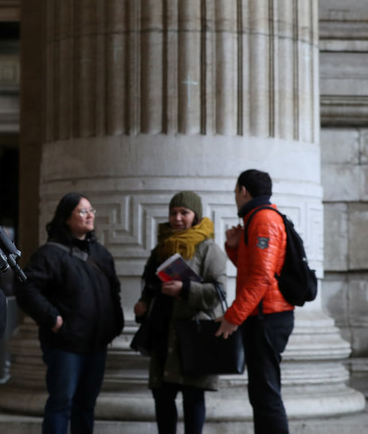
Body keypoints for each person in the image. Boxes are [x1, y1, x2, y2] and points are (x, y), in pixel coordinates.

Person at [15, 192, 124, 434]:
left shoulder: (101, 253)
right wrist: (52, 318)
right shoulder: (50, 254)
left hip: (97, 344)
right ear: (66, 218)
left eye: (91, 210)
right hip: (65, 344)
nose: (90, 215)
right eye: (82, 211)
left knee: (86, 406)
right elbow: (26, 289)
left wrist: (114, 325)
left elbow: (114, 290)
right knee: (61, 404)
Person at [133, 191, 228, 434]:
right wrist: (143, 305)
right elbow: (151, 287)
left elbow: (218, 292)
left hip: (191, 338)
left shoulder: (209, 249)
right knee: (162, 399)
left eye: (184, 213)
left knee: (193, 399)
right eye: (173, 213)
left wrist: (185, 289)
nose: (177, 218)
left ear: (195, 216)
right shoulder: (160, 248)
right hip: (162, 335)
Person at [215, 169, 295, 434]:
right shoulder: (256, 219)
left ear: (243, 191)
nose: (235, 198)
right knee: (261, 393)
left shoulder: (263, 220)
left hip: (267, 318)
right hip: (264, 315)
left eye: (235, 192)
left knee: (266, 394)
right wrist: (235, 247)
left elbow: (261, 278)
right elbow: (253, 271)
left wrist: (232, 317)